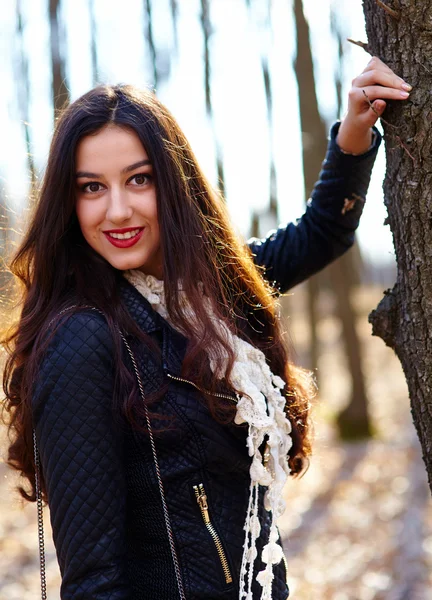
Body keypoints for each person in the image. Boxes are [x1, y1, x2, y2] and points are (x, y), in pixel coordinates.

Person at [2, 56, 409, 600]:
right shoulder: (80, 338)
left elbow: (322, 233)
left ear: (173, 185)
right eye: (91, 188)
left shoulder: (206, 296)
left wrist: (356, 133)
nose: (117, 210)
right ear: (66, 203)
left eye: (139, 179)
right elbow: (94, 581)